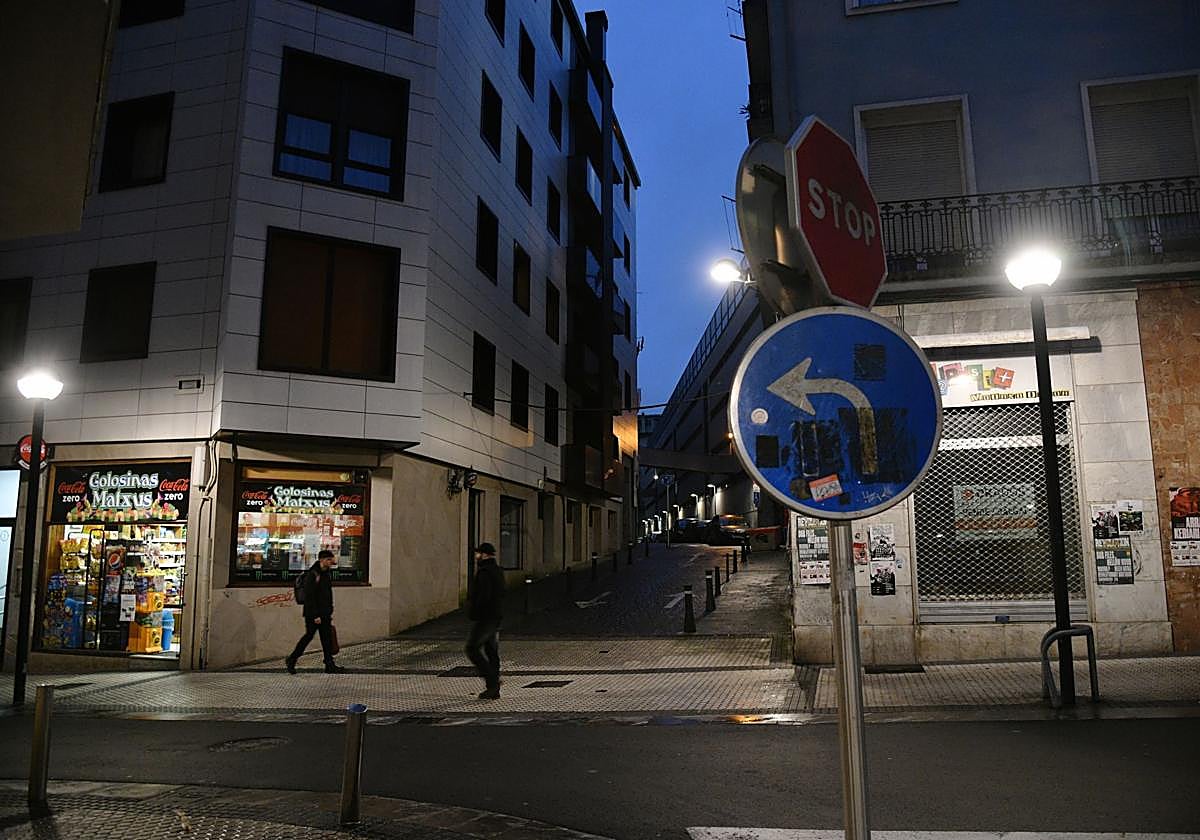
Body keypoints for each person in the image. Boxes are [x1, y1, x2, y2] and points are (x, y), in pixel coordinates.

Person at [285, 550, 345, 674]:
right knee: (308, 637)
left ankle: (329, 664)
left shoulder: (326, 574)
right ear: (322, 560)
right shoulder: (313, 574)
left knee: (326, 639)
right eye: (329, 559)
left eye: (331, 559)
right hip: (314, 614)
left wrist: (329, 610)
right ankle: (292, 658)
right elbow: (309, 596)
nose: (331, 562)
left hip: (325, 612)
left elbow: (326, 594)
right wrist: (315, 615)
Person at [464, 542, 505, 699]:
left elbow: (483, 597)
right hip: (495, 617)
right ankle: (493, 689)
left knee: (472, 648)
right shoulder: (497, 571)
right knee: (491, 651)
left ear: (485, 555)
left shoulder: (484, 572)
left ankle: (492, 682)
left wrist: (474, 611)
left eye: (479, 554)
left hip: (486, 618)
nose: (476, 556)